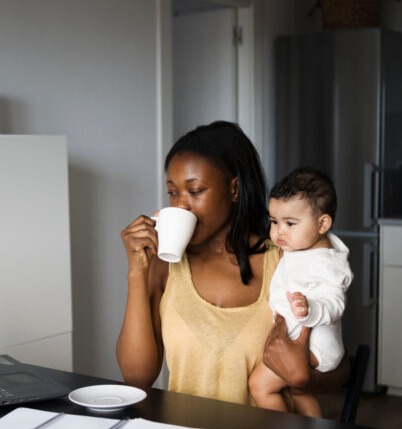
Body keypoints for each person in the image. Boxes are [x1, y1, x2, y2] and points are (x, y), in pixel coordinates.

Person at [117, 121, 349, 408]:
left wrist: (303, 380)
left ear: (235, 189)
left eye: (196, 190)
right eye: (173, 192)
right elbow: (136, 378)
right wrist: (137, 272)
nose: (181, 206)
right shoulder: (165, 266)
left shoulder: (284, 260)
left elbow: (338, 365)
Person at [248, 167, 353, 416]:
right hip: (304, 343)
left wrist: (311, 309)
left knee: (259, 386)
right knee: (300, 393)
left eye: (290, 223)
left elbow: (336, 301)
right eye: (274, 221)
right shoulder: (301, 248)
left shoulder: (325, 262)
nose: (279, 231)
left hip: (316, 346)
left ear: (322, 224)